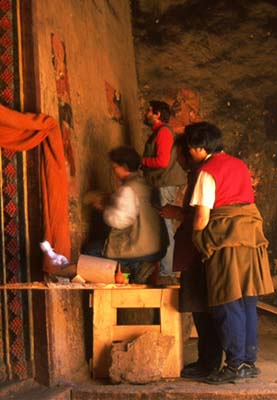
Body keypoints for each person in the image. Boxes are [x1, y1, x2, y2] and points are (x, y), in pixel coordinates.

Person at [184, 122, 274, 384]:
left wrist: (198, 239)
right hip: (251, 238)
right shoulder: (239, 165)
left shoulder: (206, 171)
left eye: (190, 149)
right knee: (247, 301)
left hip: (226, 241)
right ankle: (249, 363)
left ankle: (235, 366)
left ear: (199, 148)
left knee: (226, 301)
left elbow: (202, 216)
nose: (190, 154)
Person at [159, 132, 222, 379]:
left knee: (204, 308)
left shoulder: (203, 175)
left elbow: (202, 216)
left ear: (191, 152)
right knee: (200, 308)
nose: (178, 160)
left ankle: (210, 363)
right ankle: (206, 360)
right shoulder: (195, 175)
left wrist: (178, 213)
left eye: (179, 155)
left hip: (198, 251)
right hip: (192, 249)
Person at [86, 146, 168, 282]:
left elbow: (120, 220)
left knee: (90, 251)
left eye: (115, 168)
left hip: (141, 248)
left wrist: (104, 209)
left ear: (123, 167)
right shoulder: (146, 185)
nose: (114, 172)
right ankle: (137, 268)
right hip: (158, 247)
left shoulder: (129, 189)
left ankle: (120, 280)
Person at [142, 100, 187, 276]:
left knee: (165, 226)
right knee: (161, 226)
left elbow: (162, 161)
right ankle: (165, 270)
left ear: (157, 114)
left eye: (149, 110)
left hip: (164, 183)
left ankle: (167, 272)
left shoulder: (163, 132)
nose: (146, 113)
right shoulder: (159, 132)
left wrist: (142, 161)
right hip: (161, 183)